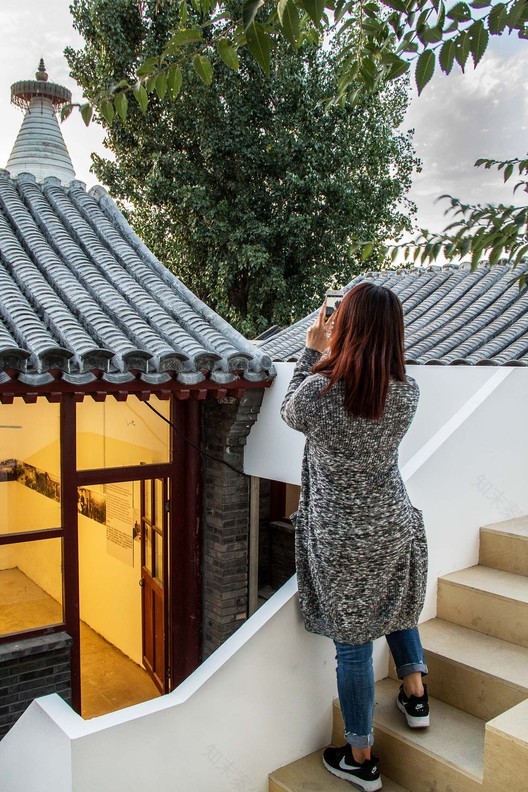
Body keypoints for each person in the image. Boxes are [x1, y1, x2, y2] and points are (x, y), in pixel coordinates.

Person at [280, 283, 429, 792]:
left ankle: (361, 756)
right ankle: (414, 691)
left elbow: (288, 412)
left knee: (353, 648)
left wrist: (313, 350)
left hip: (342, 536)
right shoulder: (407, 392)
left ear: (349, 327)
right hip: (392, 518)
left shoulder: (323, 392)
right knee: (395, 602)